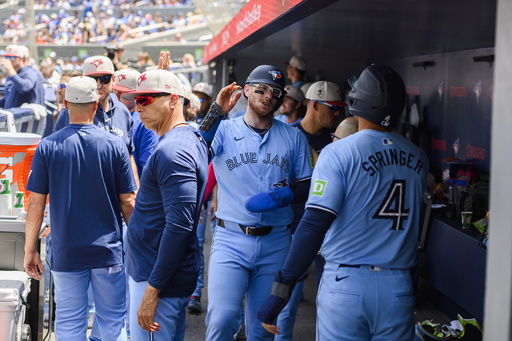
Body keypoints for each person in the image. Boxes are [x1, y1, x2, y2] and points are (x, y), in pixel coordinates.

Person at [257, 64, 429, 340]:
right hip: (398, 285)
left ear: (357, 102)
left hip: (347, 284)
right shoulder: (418, 157)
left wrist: (281, 288)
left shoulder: (338, 152)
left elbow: (314, 224)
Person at [200, 65, 313, 340]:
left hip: (276, 241)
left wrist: (284, 195)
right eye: (261, 89)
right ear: (247, 90)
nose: (267, 96)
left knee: (262, 329)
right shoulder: (224, 129)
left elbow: (307, 185)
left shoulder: (294, 136)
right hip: (231, 238)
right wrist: (216, 111)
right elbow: (197, 146)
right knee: (222, 320)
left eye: (274, 93)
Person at [24, 76, 137, 340]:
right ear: (96, 105)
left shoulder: (48, 146)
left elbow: (35, 204)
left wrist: (30, 249)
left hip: (67, 250)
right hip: (107, 250)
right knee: (111, 321)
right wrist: (140, 244)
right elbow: (128, 202)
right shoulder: (114, 145)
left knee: (69, 322)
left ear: (64, 105)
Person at [123, 69, 208, 340]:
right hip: (159, 273)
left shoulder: (174, 150)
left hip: (158, 280)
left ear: (173, 100)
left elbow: (180, 226)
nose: (138, 107)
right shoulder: (188, 136)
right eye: (136, 100)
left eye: (146, 99)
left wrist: (152, 290)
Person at [112, 68, 159, 179]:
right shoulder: (110, 115)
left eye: (123, 92)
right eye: (115, 91)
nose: (117, 96)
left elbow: (147, 167)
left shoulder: (144, 120)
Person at [0, 44, 45, 109]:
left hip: (25, 117)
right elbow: (9, 98)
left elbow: (25, 88)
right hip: (12, 115)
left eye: (11, 57)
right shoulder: (11, 74)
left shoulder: (29, 71)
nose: (8, 60)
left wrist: (11, 71)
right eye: (6, 57)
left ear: (20, 59)